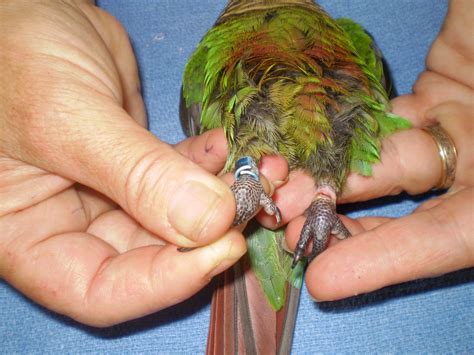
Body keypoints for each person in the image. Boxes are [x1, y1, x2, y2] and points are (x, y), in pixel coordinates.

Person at [0, 0, 472, 353]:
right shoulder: (215, 48)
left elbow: (365, 116)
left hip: (299, 172)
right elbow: (212, 135)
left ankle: (315, 192)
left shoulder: (348, 36)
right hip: (247, 172)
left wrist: (324, 192)